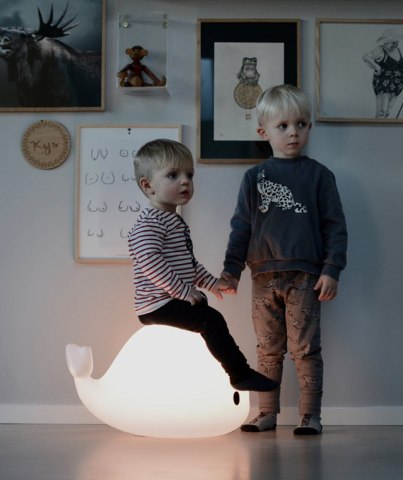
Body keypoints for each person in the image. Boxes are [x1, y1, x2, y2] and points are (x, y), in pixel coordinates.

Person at [221, 85, 348, 435]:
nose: (294, 132)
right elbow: (241, 227)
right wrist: (231, 271)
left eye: (301, 124)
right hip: (263, 277)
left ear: (309, 128)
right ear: (264, 132)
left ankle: (310, 415)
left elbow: (335, 226)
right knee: (267, 349)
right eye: (283, 126)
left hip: (305, 277)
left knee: (305, 349)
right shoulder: (254, 178)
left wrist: (332, 269)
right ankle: (267, 412)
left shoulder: (320, 175)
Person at [127, 139, 278, 393]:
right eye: (173, 175)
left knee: (205, 309)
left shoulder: (172, 220)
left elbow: (188, 263)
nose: (185, 181)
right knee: (211, 320)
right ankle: (239, 374)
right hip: (155, 304)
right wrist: (183, 291)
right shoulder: (149, 224)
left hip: (169, 299)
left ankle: (229, 374)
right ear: (148, 185)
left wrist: (211, 283)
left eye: (189, 175)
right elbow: (150, 263)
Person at [363, 29, 403, 118]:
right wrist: (377, 67)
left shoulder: (398, 50)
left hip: (397, 87)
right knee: (382, 111)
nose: (395, 44)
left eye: (396, 42)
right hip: (383, 85)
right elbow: (366, 57)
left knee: (387, 113)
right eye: (392, 42)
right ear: (385, 42)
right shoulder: (380, 50)